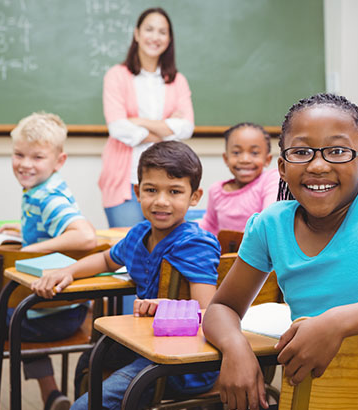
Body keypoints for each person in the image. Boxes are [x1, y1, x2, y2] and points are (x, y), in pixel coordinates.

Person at [202, 93, 358, 410]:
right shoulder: (270, 225)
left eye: (338, 151)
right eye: (301, 152)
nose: (318, 165)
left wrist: (334, 323)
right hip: (317, 397)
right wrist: (235, 346)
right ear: (282, 168)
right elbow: (222, 308)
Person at [32, 141, 221, 410]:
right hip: (145, 344)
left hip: (182, 361)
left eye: (175, 191)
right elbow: (106, 259)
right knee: (89, 362)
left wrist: (165, 307)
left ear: (194, 196)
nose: (161, 201)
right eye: (151, 190)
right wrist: (68, 271)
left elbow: (208, 311)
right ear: (137, 192)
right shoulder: (139, 234)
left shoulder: (195, 244)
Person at [0, 112, 97, 410]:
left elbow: (86, 236)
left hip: (45, 316)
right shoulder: (48, 189)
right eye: (18, 154)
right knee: (22, 299)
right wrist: (23, 231)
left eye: (37, 157)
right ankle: (51, 394)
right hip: (61, 310)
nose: (25, 164)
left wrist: (31, 248)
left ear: (58, 160)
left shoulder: (46, 197)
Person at [99, 7, 194, 228]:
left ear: (169, 38)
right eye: (149, 29)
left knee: (168, 252)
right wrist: (167, 129)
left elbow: (187, 127)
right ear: (137, 34)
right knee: (128, 250)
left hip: (167, 178)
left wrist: (138, 121)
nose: (155, 37)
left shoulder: (177, 80)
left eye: (162, 32)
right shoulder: (117, 76)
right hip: (124, 181)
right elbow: (118, 128)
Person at [199, 122, 279, 235]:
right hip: (226, 251)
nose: (245, 159)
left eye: (254, 153)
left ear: (267, 160)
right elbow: (209, 225)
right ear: (226, 158)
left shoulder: (270, 180)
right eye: (236, 152)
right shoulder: (216, 190)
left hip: (259, 249)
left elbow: (268, 217)